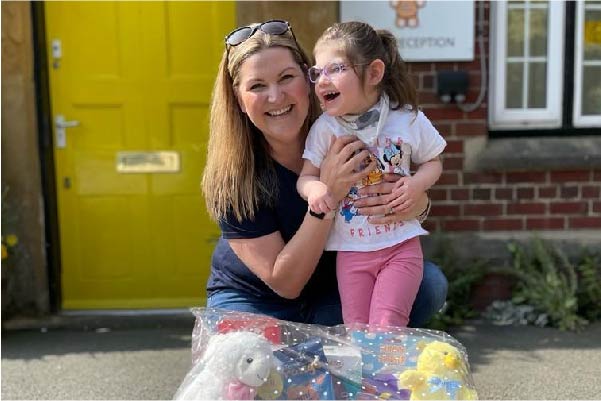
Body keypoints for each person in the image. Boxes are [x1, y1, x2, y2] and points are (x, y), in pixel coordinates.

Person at [201, 19, 447, 327]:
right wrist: (328, 193)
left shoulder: (342, 125)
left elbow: (415, 170)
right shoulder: (234, 175)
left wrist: (416, 202)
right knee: (251, 365)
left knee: (429, 284)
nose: (276, 97)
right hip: (256, 300)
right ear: (239, 99)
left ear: (308, 79)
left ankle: (335, 355)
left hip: (331, 292)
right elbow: (285, 283)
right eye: (257, 86)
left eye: (286, 77)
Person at [297, 21, 446, 327]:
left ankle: (388, 377)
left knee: (388, 323)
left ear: (374, 73)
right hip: (351, 253)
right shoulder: (325, 129)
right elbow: (305, 177)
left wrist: (416, 185)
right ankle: (362, 378)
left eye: (335, 69)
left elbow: (434, 162)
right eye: (317, 72)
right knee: (357, 328)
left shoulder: (406, 119)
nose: (322, 80)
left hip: (400, 247)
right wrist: (316, 191)